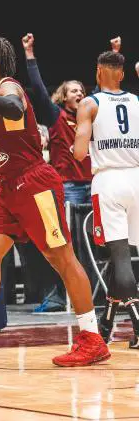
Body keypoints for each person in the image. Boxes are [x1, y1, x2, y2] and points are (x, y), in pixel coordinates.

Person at [0, 36, 109, 367]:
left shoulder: (8, 87)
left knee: (63, 259)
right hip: (9, 189)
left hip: (35, 185)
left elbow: (14, 106)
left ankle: (92, 338)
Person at [74, 51, 139, 348]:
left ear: (98, 72)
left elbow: (78, 153)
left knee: (121, 257)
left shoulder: (89, 104)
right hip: (136, 176)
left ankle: (138, 325)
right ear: (122, 74)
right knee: (120, 259)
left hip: (109, 180)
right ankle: (106, 324)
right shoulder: (137, 102)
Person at [22, 33, 91, 204]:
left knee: (95, 230)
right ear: (64, 97)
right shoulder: (56, 115)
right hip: (69, 185)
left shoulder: (88, 118)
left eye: (81, 91)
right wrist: (29, 53)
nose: (80, 93)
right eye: (74, 91)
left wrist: (114, 55)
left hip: (93, 183)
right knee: (71, 229)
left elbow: (100, 91)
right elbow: (39, 89)